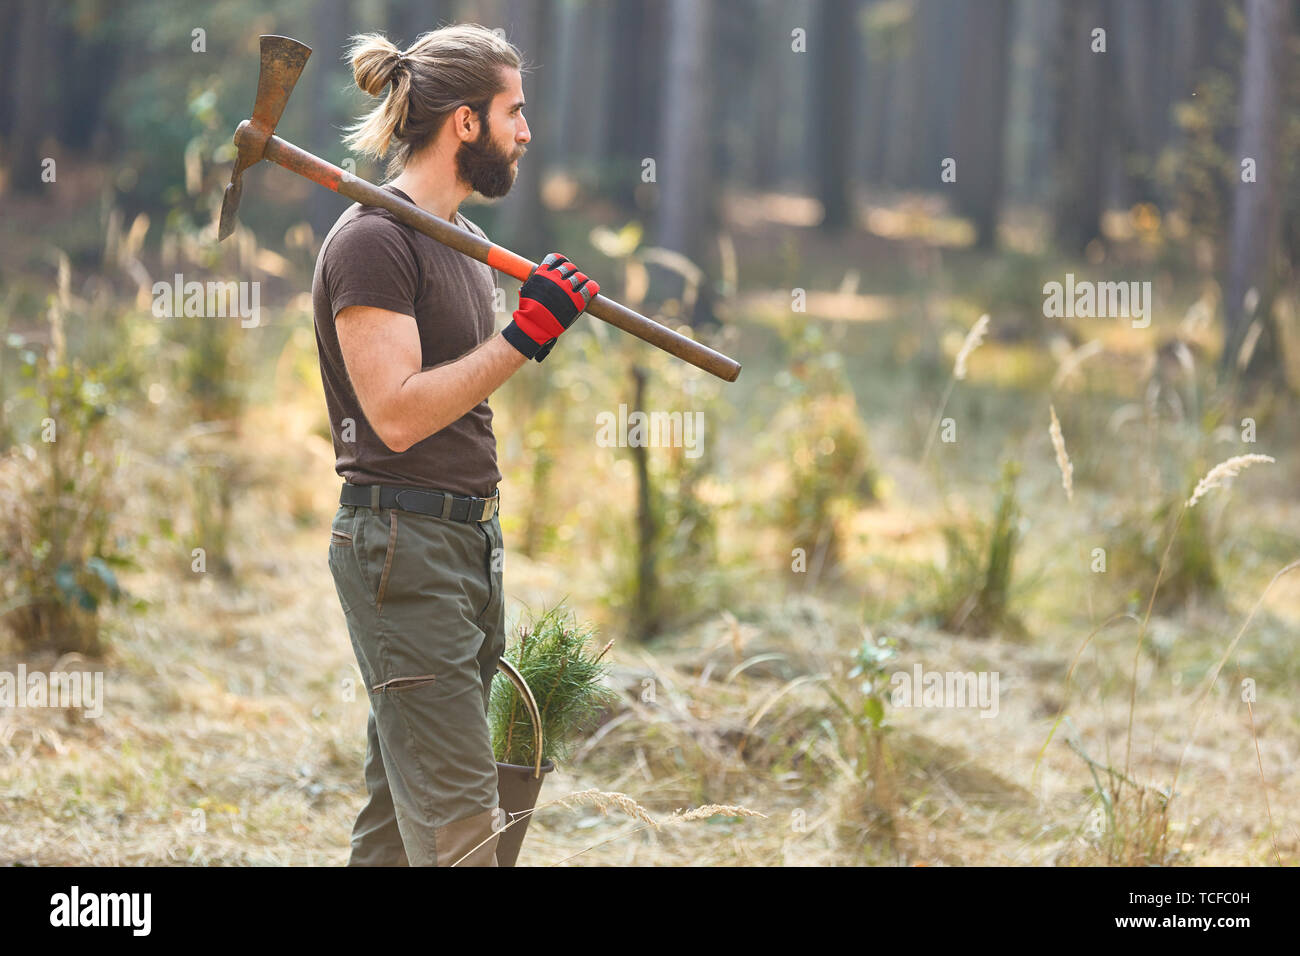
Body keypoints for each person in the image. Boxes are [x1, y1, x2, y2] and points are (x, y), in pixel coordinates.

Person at [310, 23, 599, 866]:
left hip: (466, 545)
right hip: (400, 548)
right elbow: (394, 416)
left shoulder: (466, 250)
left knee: (399, 830)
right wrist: (525, 336)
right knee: (467, 831)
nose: (527, 131)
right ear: (464, 122)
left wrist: (520, 326)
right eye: (514, 111)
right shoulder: (374, 241)